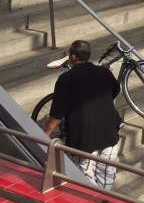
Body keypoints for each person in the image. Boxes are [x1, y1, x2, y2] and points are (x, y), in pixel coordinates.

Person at [43, 40, 122, 190]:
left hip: (83, 136)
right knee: (107, 173)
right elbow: (115, 90)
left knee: (85, 173)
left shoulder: (66, 79)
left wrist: (44, 134)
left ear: (72, 57)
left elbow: (57, 113)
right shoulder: (104, 72)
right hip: (109, 131)